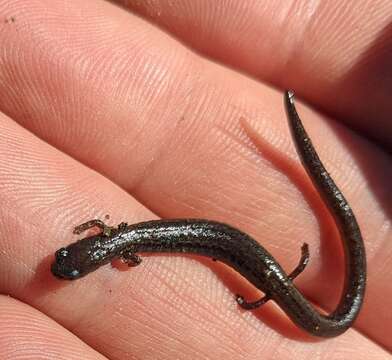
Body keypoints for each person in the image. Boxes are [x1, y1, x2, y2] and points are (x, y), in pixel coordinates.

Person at [0, 1, 390, 359]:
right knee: (271, 279)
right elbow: (129, 255)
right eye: (68, 264)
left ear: (94, 250)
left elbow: (131, 258)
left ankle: (288, 295)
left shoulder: (123, 250)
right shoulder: (114, 239)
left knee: (274, 282)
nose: (63, 264)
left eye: (67, 262)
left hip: (235, 247)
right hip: (228, 244)